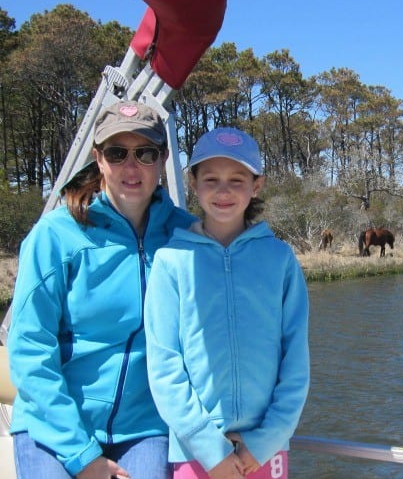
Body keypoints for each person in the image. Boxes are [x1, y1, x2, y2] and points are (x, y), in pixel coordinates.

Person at [8, 100, 196, 479]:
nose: (131, 167)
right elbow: (30, 349)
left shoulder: (188, 236)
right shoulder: (56, 236)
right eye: (117, 153)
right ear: (98, 159)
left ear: (162, 159)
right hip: (54, 422)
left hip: (144, 426)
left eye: (145, 153)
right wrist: (82, 454)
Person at [144, 127, 310, 479]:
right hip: (196, 452)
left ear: (257, 185)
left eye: (237, 179)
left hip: (265, 450)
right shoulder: (170, 261)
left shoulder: (280, 258)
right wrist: (210, 448)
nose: (223, 191)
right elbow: (164, 367)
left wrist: (265, 441)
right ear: (193, 183)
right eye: (211, 179)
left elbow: (295, 359)